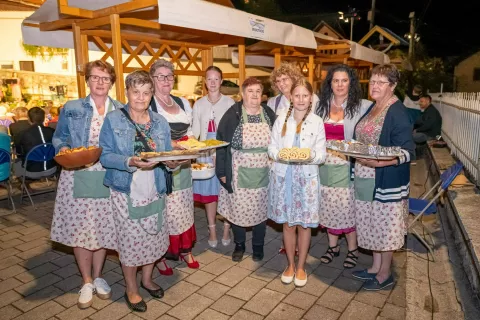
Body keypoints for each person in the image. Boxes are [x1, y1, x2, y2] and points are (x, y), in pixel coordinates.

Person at [100, 70, 180, 313]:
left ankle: (147, 279)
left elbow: (165, 154)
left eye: (146, 93)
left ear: (151, 93)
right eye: (136, 92)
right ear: (127, 92)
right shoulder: (114, 120)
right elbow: (104, 155)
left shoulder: (160, 122)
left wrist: (173, 162)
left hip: (155, 186)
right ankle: (131, 288)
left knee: (154, 237)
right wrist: (130, 161)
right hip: (127, 188)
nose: (141, 97)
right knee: (131, 241)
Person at [51, 60, 123, 309]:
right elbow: (59, 137)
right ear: (88, 80)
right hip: (78, 172)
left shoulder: (120, 109)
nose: (100, 82)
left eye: (105, 78)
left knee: (103, 228)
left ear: (112, 82)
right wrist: (64, 150)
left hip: (108, 175)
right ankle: (86, 280)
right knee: (81, 230)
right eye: (95, 77)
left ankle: (100, 275)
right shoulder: (72, 107)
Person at [351, 64, 414, 291]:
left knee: (385, 226)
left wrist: (380, 162)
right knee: (371, 223)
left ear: (393, 86)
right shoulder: (375, 106)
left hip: (385, 179)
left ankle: (385, 273)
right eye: (373, 81)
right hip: (366, 176)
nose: (375, 86)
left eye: (381, 82)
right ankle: (375, 266)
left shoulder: (397, 112)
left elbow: (408, 151)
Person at [268, 78, 326, 287]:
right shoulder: (282, 118)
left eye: (305, 95)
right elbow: (272, 148)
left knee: (303, 224)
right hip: (285, 178)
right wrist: (283, 154)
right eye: (297, 95)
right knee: (288, 224)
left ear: (311, 98)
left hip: (307, 180)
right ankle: (290, 264)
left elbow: (321, 154)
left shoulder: (317, 122)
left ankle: (301, 267)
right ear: (291, 97)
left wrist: (307, 156)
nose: (301, 99)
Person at [315, 64, 372, 269]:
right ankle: (332, 247)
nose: (339, 85)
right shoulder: (320, 106)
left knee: (347, 208)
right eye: (335, 80)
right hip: (324, 166)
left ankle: (353, 249)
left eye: (344, 80)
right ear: (330, 83)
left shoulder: (362, 106)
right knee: (328, 206)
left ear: (351, 83)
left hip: (347, 166)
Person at [216, 77, 276, 262]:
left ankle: (258, 246)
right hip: (238, 171)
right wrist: (222, 172)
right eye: (250, 91)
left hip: (264, 171)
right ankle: (239, 245)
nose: (254, 95)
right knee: (237, 211)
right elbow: (221, 144)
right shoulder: (232, 114)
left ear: (262, 94)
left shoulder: (268, 113)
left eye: (258, 91)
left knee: (261, 211)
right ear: (243, 94)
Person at [149, 59, 199, 274]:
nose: (165, 80)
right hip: (161, 166)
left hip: (184, 164)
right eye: (160, 76)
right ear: (152, 79)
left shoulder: (182, 102)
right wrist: (174, 145)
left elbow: (194, 130)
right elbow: (147, 138)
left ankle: (185, 249)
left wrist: (192, 144)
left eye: (169, 76)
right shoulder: (148, 104)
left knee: (185, 207)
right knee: (166, 210)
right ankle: (161, 255)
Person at [192, 66, 234, 248]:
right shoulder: (199, 104)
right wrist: (194, 150)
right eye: (209, 79)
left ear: (221, 81)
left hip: (224, 150)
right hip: (205, 152)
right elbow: (195, 133)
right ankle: (212, 229)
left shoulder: (230, 102)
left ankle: (226, 228)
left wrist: (222, 154)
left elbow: (232, 132)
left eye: (216, 79)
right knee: (210, 194)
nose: (213, 83)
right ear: (205, 82)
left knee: (226, 193)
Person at [15, 107, 55, 174]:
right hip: (52, 167)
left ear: (29, 119)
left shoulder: (22, 134)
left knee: (15, 163)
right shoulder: (52, 131)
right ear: (44, 118)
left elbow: (19, 153)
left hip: (31, 170)